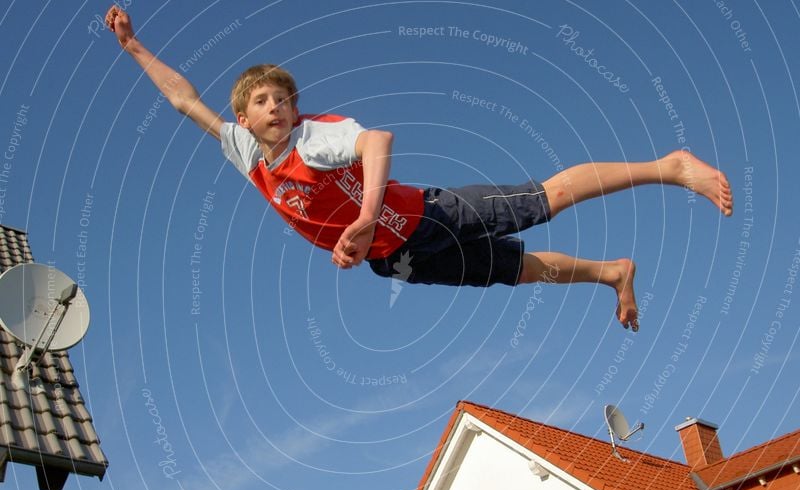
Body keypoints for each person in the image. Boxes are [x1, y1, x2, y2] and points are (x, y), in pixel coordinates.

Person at [106, 6, 733, 332]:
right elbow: (185, 100)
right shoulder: (246, 154)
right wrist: (135, 46)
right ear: (245, 119)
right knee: (519, 272)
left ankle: (668, 166)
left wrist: (366, 215)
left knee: (548, 198)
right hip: (397, 260)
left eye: (284, 99)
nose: (277, 108)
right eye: (263, 102)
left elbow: (377, 140)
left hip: (425, 214)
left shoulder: (315, 140)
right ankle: (610, 274)